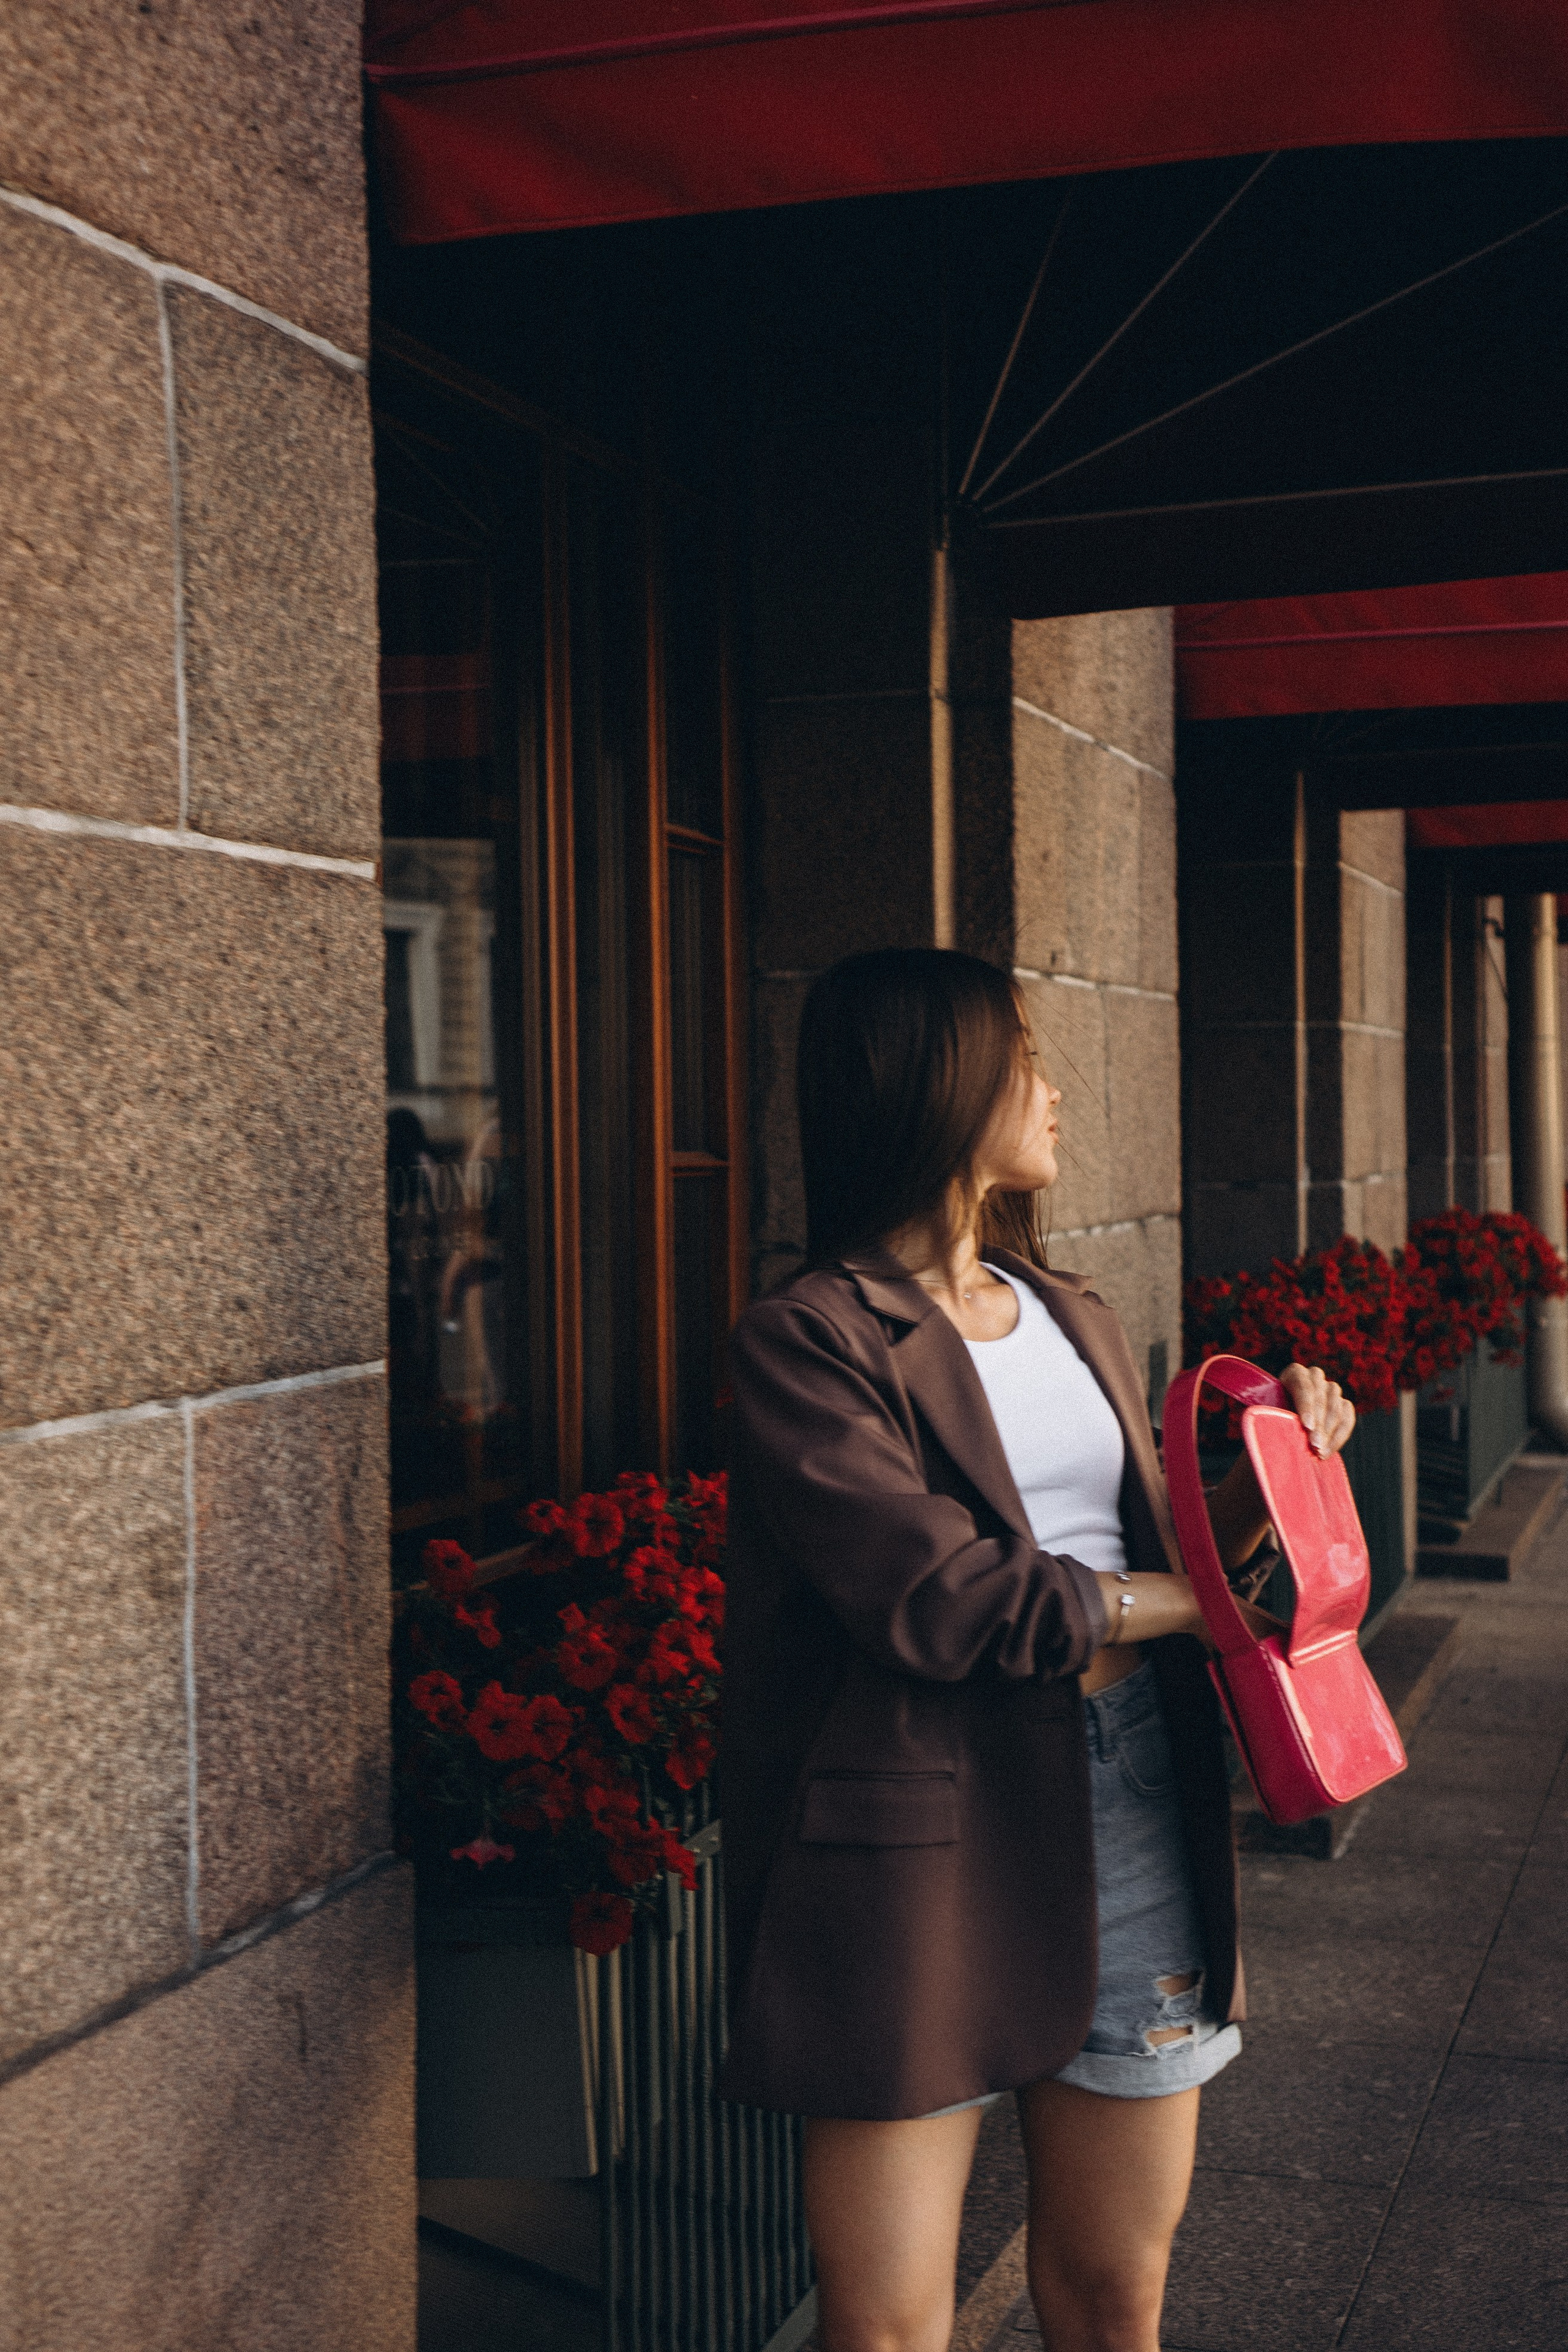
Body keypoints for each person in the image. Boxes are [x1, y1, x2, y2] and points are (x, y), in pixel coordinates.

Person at [718, 949, 1354, 2352]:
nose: (1055, 1089)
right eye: (1022, 1056)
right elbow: (934, 1599)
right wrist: (1187, 1606)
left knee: (1111, 2294)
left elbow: (1152, 1545)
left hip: (1126, 1792)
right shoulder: (808, 1341)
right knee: (887, 2329)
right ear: (936, 1085)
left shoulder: (1073, 1310)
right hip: (913, 1833)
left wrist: (1274, 1476)